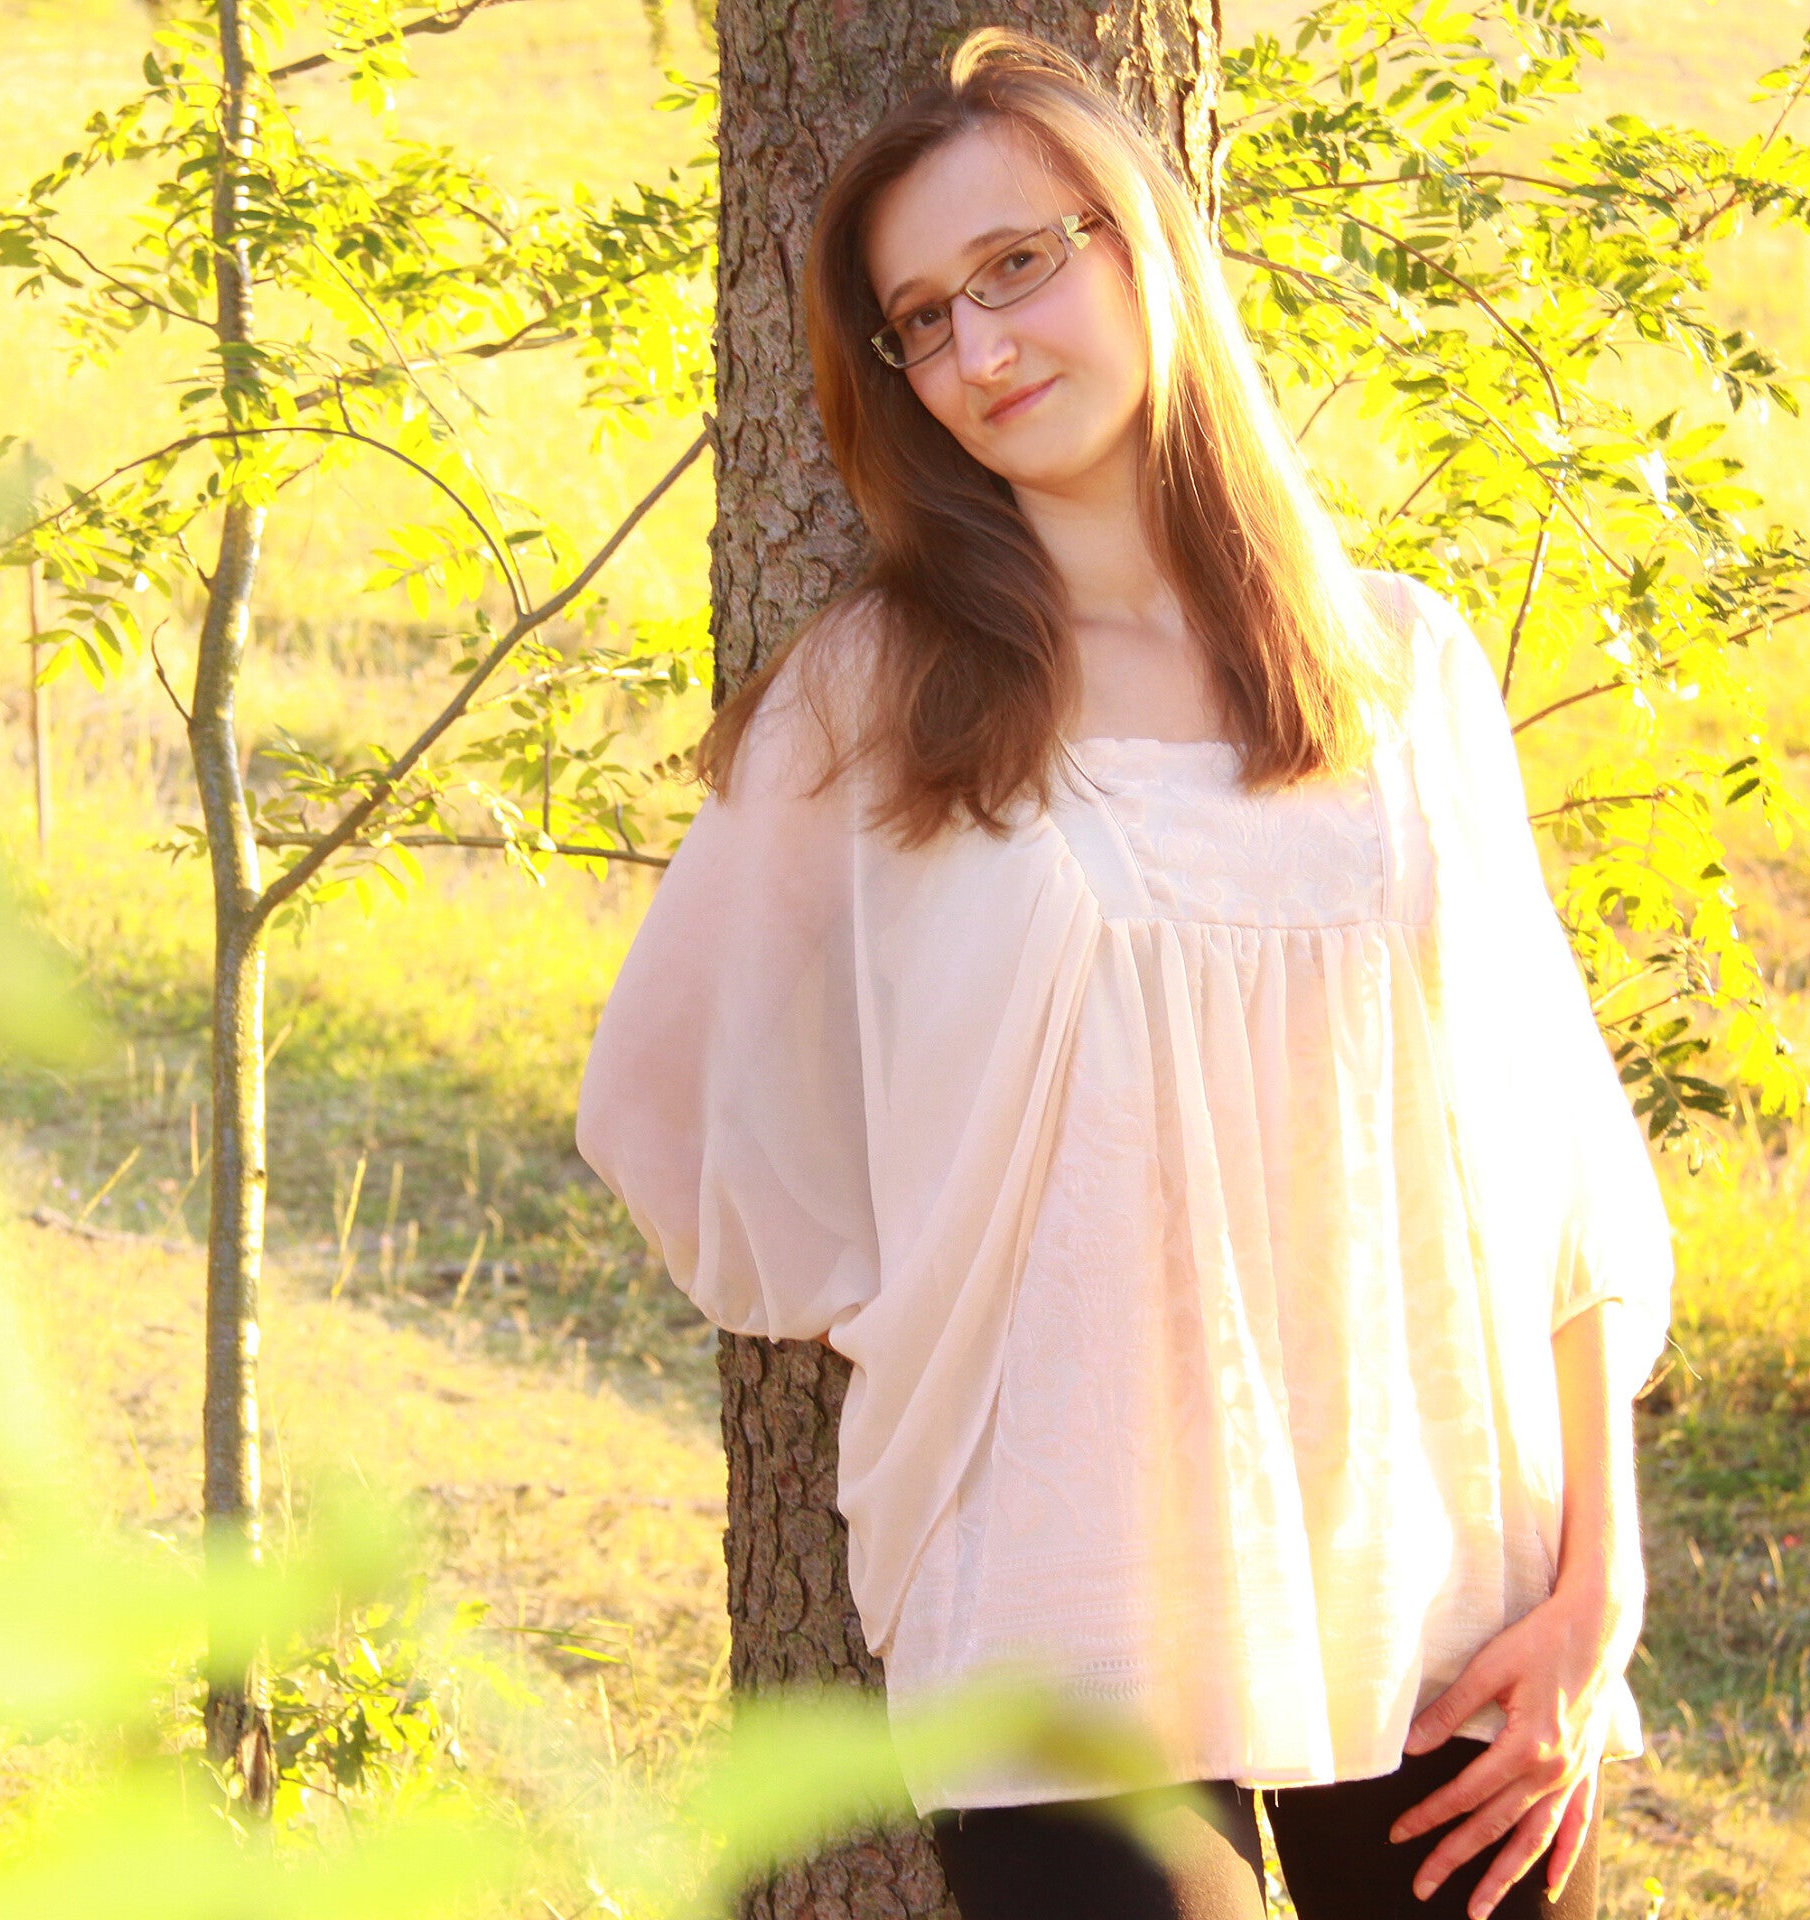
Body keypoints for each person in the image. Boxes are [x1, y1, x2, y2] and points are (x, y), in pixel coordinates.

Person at [574, 27, 1673, 1920]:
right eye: (924, 322)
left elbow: (1553, 1164)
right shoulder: (879, 698)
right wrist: (952, 1301)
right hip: (1063, 1600)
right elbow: (669, 1102)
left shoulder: (1399, 667)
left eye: (1017, 266)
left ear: (1139, 239)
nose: (981, 350)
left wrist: (1601, 1589)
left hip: (1439, 1564)